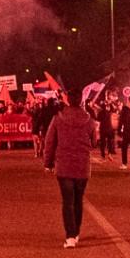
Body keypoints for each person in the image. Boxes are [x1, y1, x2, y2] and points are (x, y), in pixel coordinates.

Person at [43, 92, 97, 249]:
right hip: (82, 165)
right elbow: (94, 142)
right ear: (80, 100)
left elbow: (50, 141)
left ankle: (70, 236)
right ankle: (76, 232)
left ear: (67, 100)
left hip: (64, 165)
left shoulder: (58, 118)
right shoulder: (89, 120)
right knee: (78, 199)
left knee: (68, 201)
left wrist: (48, 163)